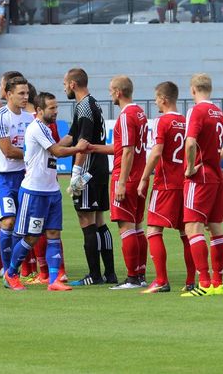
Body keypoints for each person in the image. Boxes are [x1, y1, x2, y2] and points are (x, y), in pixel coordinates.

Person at [3, 92, 87, 291]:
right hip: (34, 191)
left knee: (53, 233)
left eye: (56, 107)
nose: (56, 111)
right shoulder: (36, 128)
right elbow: (57, 151)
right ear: (40, 110)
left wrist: (75, 136)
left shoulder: (46, 129)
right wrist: (79, 148)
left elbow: (56, 147)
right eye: (52, 108)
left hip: (51, 191)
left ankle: (53, 280)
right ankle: (11, 273)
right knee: (31, 237)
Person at [180, 74, 223, 297]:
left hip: (201, 178)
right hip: (217, 176)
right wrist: (216, 156)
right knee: (215, 228)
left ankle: (203, 283)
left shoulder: (197, 111)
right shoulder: (218, 112)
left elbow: (191, 141)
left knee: (192, 227)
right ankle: (217, 283)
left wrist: (189, 168)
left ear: (193, 89)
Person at [88, 76, 149, 290]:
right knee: (138, 227)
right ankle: (140, 274)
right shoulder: (140, 112)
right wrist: (95, 148)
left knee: (126, 227)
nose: (109, 95)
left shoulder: (125, 115)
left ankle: (132, 278)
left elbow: (128, 150)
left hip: (127, 177)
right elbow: (124, 146)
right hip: (140, 177)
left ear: (117, 92)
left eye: (110, 91)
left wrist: (121, 182)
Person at [136, 82, 196, 293]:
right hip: (186, 183)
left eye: (156, 98)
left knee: (153, 229)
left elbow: (156, 151)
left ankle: (161, 280)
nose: (155, 102)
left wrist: (144, 178)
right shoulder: (186, 121)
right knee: (186, 232)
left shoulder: (162, 121)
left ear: (163, 99)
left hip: (165, 184)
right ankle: (190, 281)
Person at [62, 68, 116, 286]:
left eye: (65, 83)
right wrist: (52, 147)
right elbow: (72, 136)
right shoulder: (91, 103)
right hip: (102, 166)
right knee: (99, 220)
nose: (64, 87)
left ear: (73, 84)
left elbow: (82, 145)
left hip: (89, 169)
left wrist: (75, 174)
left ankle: (94, 276)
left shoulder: (83, 106)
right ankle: (109, 274)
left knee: (86, 219)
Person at [0, 76, 34, 280]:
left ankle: (16, 269)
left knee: (22, 226)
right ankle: (8, 271)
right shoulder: (0, 117)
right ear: (8, 94)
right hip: (3, 177)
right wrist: (33, 154)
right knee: (7, 222)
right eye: (21, 93)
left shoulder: (29, 119)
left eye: (27, 93)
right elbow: (7, 150)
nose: (26, 97)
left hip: (24, 177)